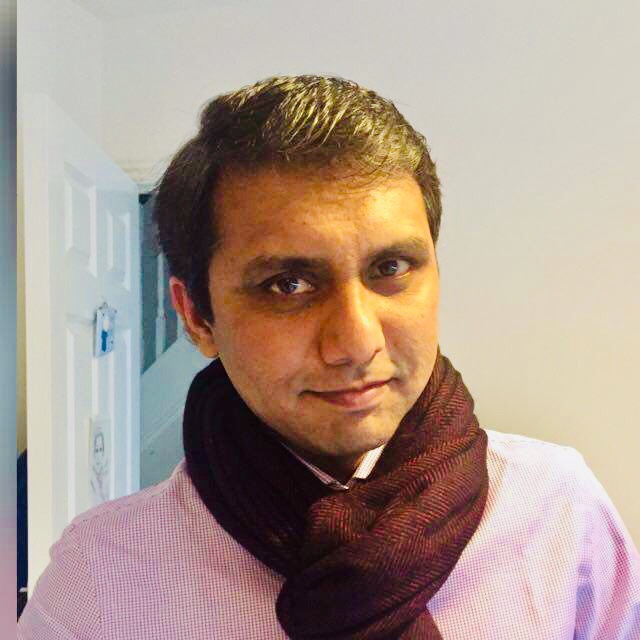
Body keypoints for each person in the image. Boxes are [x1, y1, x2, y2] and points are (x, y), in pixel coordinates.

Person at [18, 75, 640, 639]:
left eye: (391, 267)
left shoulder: (559, 509)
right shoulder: (101, 580)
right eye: (288, 284)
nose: (357, 342)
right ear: (197, 317)